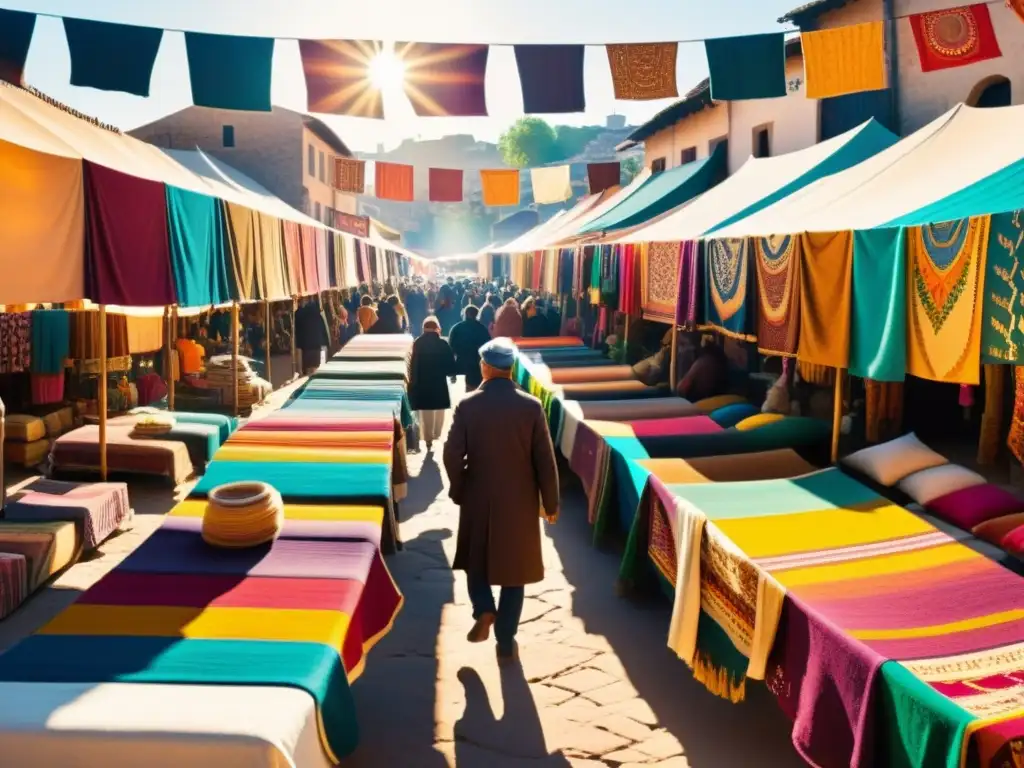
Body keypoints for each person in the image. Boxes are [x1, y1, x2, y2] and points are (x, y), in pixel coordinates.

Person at [443, 338, 560, 665]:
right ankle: (506, 639)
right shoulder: (531, 407)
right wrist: (550, 503)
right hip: (520, 500)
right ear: (509, 369)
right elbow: (545, 461)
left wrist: (461, 487)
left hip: (479, 495)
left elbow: (452, 455)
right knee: (514, 571)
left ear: (485, 366)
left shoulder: (468, 405)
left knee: (476, 560)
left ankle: (483, 609)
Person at [409, 316, 456, 450]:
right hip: (439, 381)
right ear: (437, 328)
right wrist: (452, 375)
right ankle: (436, 434)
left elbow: (413, 363)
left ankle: (428, 437)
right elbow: (449, 360)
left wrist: (412, 380)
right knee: (439, 410)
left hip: (423, 381)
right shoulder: (442, 343)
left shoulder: (418, 342)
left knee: (425, 411)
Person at [448, 306, 492, 392]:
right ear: (477, 315)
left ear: (464, 314)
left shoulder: (456, 328)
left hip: (460, 366)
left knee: (460, 395)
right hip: (477, 368)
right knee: (475, 395)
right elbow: (488, 351)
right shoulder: (482, 329)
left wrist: (451, 371)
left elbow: (450, 352)